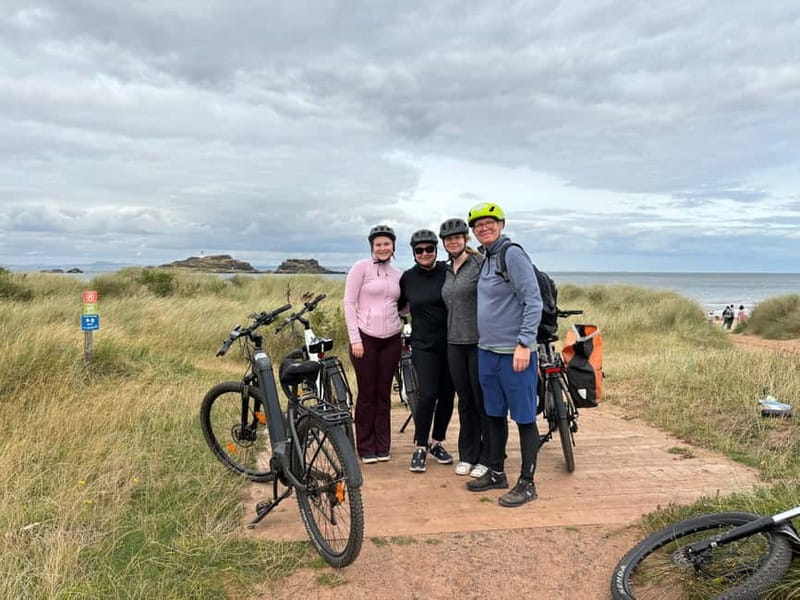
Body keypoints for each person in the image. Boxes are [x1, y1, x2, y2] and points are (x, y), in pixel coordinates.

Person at [465, 201, 543, 508]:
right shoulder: (487, 258)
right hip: (488, 351)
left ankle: (528, 483)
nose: (484, 227)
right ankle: (496, 471)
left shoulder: (512, 254)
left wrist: (525, 343)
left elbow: (533, 300)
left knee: (524, 418)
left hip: (515, 353)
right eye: (478, 225)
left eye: (490, 222)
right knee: (494, 414)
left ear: (502, 224)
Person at [344, 225, 403, 464]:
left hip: (392, 338)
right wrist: (355, 339)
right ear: (372, 247)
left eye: (387, 244)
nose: (382, 248)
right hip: (365, 338)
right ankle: (366, 447)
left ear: (393, 246)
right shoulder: (361, 268)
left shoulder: (398, 273)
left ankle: (383, 444)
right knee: (367, 393)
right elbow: (348, 303)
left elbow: (401, 305)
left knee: (384, 393)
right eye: (378, 244)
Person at [398, 229, 456, 473]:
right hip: (423, 345)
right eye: (419, 250)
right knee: (428, 395)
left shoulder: (448, 271)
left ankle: (437, 442)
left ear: (436, 250)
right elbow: (399, 307)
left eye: (429, 249)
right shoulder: (407, 278)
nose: (424, 253)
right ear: (413, 253)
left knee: (447, 396)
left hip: (451, 343)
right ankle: (420, 446)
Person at [439, 217, 490, 478]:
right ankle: (468, 454)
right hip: (454, 343)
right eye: (448, 239)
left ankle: (488, 455)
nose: (453, 242)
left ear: (465, 239)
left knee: (483, 401)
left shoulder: (480, 264)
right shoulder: (446, 270)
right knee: (465, 401)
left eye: (457, 238)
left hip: (479, 342)